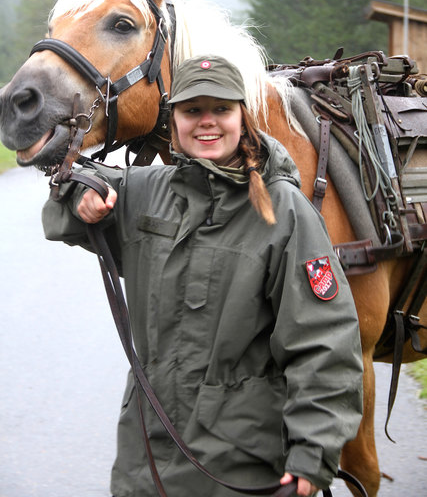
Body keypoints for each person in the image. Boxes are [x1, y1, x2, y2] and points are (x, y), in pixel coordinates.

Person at [42, 55, 363, 497]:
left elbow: (324, 343)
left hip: (242, 467)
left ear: (242, 117)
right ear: (172, 120)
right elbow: (68, 194)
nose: (206, 122)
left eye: (221, 109)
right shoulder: (145, 191)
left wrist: (313, 454)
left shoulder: (285, 211)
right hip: (146, 459)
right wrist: (81, 194)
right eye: (193, 111)